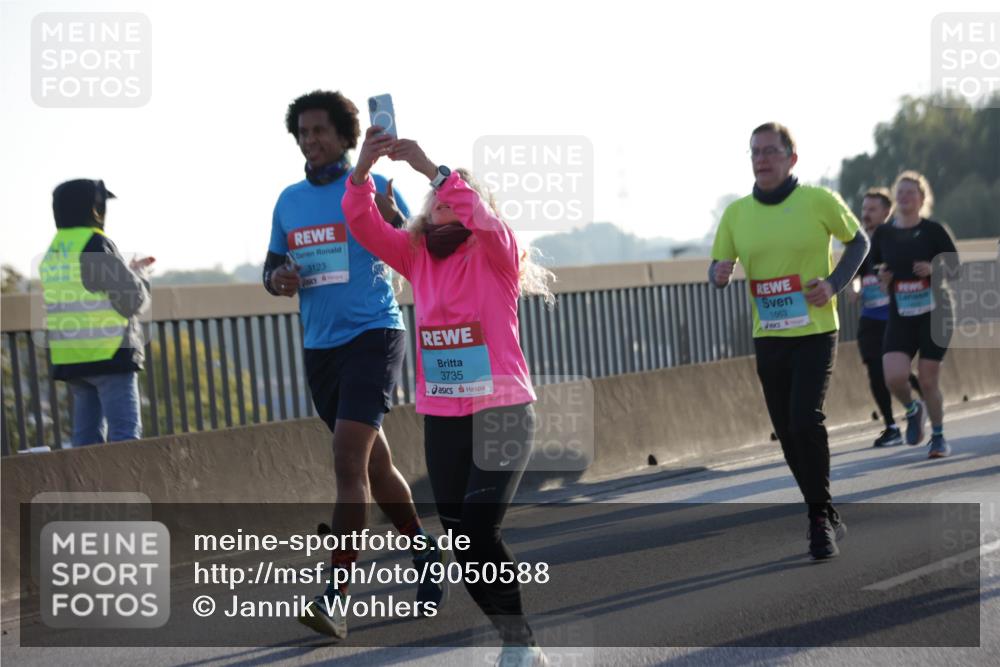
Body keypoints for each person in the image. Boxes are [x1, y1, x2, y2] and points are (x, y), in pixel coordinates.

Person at [343, 125, 555, 667]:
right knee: (463, 543)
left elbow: (490, 224)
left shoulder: (498, 255)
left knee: (482, 531)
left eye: (451, 193)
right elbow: (363, 223)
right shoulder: (417, 258)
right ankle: (517, 639)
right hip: (443, 416)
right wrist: (363, 171)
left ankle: (519, 641)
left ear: (470, 203)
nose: (440, 199)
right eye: (434, 199)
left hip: (503, 409)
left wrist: (433, 168)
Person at [262, 90, 445, 640]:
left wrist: (397, 220)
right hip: (321, 348)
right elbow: (272, 270)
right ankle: (426, 552)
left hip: (374, 334)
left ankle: (335, 595)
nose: (310, 140)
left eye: (320, 131)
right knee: (372, 466)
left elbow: (421, 249)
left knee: (346, 460)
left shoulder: (376, 186)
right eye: (303, 132)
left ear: (346, 137)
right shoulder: (288, 201)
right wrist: (280, 280)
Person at [709, 123, 869, 560]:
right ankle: (824, 509)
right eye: (755, 152)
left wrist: (834, 283)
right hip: (770, 336)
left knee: (804, 419)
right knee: (786, 431)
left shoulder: (818, 201)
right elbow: (718, 265)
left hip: (816, 331)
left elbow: (859, 242)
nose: (762, 159)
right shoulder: (737, 213)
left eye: (771, 152)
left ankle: (818, 521)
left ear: (791, 158)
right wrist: (718, 274)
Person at [40, 179, 153, 447]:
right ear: (94, 209)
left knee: (85, 445)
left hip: (73, 359)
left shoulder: (55, 250)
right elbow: (132, 301)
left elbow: (87, 290)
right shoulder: (95, 244)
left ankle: (88, 490)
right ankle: (126, 489)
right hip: (109, 353)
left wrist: (126, 272)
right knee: (125, 440)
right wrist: (140, 276)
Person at [870, 171, 960, 459]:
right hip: (902, 312)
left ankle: (938, 436)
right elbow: (874, 267)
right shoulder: (884, 233)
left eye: (911, 192)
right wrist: (882, 276)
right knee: (894, 377)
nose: (905, 196)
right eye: (901, 191)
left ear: (922, 198)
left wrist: (934, 269)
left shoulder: (934, 230)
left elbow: (955, 269)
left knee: (928, 378)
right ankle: (912, 408)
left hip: (936, 312)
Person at [849, 188, 921, 447]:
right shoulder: (858, 243)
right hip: (870, 317)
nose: (865, 214)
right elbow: (854, 278)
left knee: (895, 372)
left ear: (886, 212)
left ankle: (923, 403)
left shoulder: (897, 240)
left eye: (872, 209)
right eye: (864, 209)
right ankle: (891, 426)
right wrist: (855, 291)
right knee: (875, 370)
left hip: (896, 316)